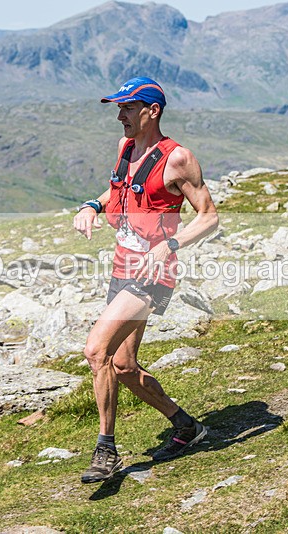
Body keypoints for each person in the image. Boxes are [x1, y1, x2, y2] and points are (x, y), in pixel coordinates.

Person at [73, 76, 219, 483]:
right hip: (123, 266)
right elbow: (118, 191)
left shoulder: (178, 159)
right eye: (118, 108)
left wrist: (169, 246)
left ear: (152, 111)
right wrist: (92, 206)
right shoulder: (126, 147)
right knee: (122, 365)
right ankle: (186, 425)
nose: (120, 115)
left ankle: (106, 450)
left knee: (96, 350)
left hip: (154, 272)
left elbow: (209, 216)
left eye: (128, 108)